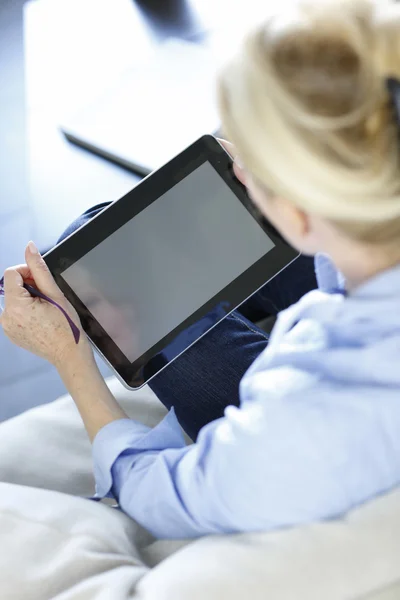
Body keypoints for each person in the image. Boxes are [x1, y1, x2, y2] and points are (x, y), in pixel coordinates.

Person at [2, 0, 400, 540]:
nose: (240, 166)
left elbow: (157, 492)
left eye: (255, 164)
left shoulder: (299, 426)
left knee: (100, 265)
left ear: (303, 211)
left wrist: (70, 357)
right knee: (102, 241)